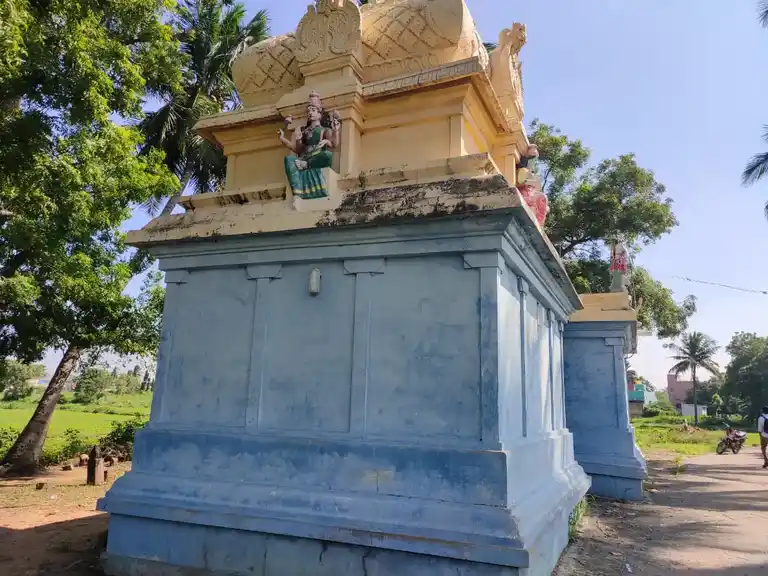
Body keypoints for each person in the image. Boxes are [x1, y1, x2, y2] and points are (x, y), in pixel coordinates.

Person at [278, 91, 341, 200]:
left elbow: (334, 144)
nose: (310, 113)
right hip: (305, 156)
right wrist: (283, 138)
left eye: (313, 110)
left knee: (327, 155)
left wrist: (334, 132)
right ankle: (297, 191)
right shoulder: (304, 131)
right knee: (289, 160)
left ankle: (306, 165)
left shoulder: (325, 130)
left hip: (317, 156)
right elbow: (297, 149)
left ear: (319, 113)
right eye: (308, 111)